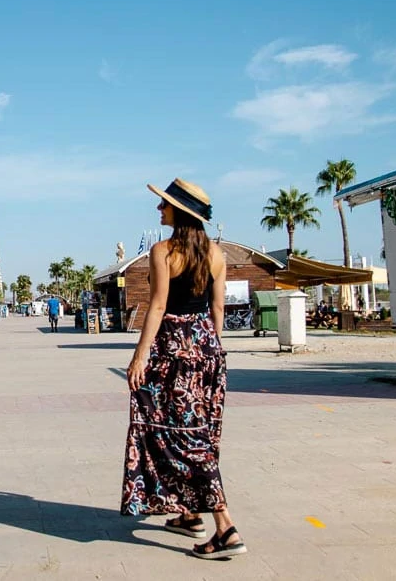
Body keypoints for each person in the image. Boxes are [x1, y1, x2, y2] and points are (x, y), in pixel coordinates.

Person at [121, 178, 247, 560]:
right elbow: (218, 310)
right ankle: (188, 511)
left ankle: (225, 528)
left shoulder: (163, 251)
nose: (160, 210)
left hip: (172, 353)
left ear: (180, 212)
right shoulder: (217, 254)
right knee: (197, 431)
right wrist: (208, 347)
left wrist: (140, 355)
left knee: (183, 436)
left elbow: (158, 306)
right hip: (208, 351)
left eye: (165, 205)